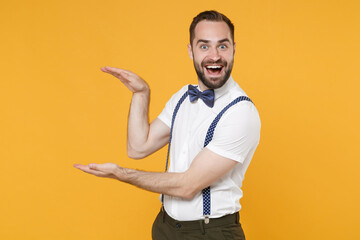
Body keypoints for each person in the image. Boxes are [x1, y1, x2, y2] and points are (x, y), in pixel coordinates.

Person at [74, 10, 261, 240]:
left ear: (234, 49)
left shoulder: (241, 112)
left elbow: (187, 186)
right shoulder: (183, 97)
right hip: (165, 226)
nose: (214, 56)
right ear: (190, 51)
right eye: (204, 46)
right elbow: (138, 147)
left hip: (209, 233)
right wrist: (141, 93)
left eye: (222, 46)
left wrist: (122, 174)